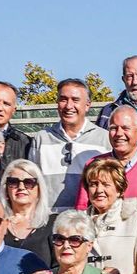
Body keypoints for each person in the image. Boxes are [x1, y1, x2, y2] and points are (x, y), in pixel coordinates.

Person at [30, 77, 112, 210]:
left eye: (75, 100)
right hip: (47, 217)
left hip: (88, 217)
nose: (69, 106)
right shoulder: (41, 138)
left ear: (87, 105)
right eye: (63, 99)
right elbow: (32, 182)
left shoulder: (104, 139)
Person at [81, 158, 137, 274]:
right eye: (93, 184)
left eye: (106, 184)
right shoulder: (78, 223)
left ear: (119, 190)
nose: (99, 190)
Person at [0, 158, 54, 265]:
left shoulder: (53, 224)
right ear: (6, 189)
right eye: (13, 182)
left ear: (39, 188)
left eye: (29, 182)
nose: (21, 187)